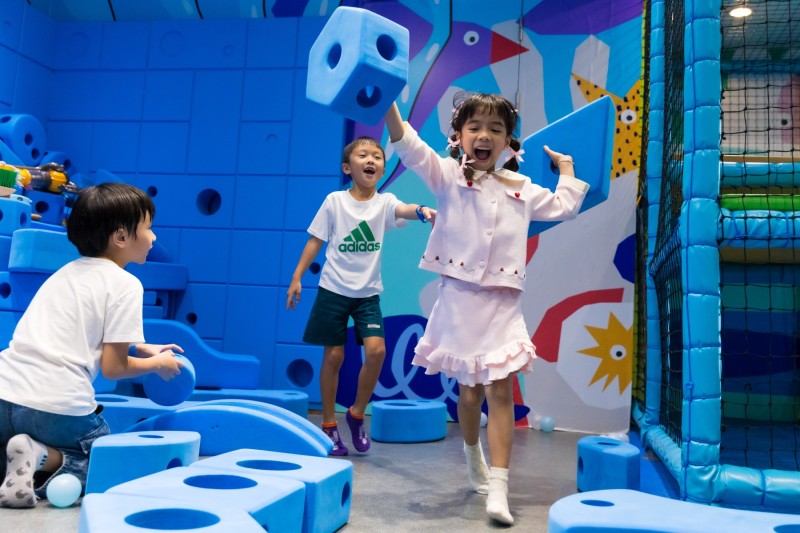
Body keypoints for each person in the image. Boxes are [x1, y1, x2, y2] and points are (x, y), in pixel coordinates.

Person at [384, 93, 588, 525]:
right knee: (469, 392)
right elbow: (407, 143)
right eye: (475, 127)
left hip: (502, 303)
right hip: (458, 301)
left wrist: (566, 165)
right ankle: (471, 451)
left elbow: (565, 206)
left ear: (509, 142)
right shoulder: (446, 176)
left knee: (500, 389)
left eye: (496, 129)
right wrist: (385, 100)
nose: (485, 135)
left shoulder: (522, 188)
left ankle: (499, 487)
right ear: (458, 137)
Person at [0, 182, 184, 508]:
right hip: (56, 405)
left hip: (6, 395)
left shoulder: (64, 274)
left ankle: (19, 461)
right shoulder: (126, 284)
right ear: (121, 237)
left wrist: (141, 347)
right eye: (148, 228)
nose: (153, 237)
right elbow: (114, 367)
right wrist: (159, 364)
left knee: (7, 453)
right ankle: (41, 455)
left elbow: (78, 329)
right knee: (107, 462)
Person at [286, 136, 435, 456]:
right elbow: (315, 240)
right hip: (333, 290)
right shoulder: (334, 202)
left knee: (377, 351)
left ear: (382, 168)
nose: (371, 160)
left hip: (367, 294)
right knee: (334, 357)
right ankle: (329, 424)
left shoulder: (384, 203)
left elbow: (403, 209)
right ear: (347, 168)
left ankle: (356, 415)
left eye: (377, 156)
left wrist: (422, 210)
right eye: (363, 155)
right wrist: (297, 277)